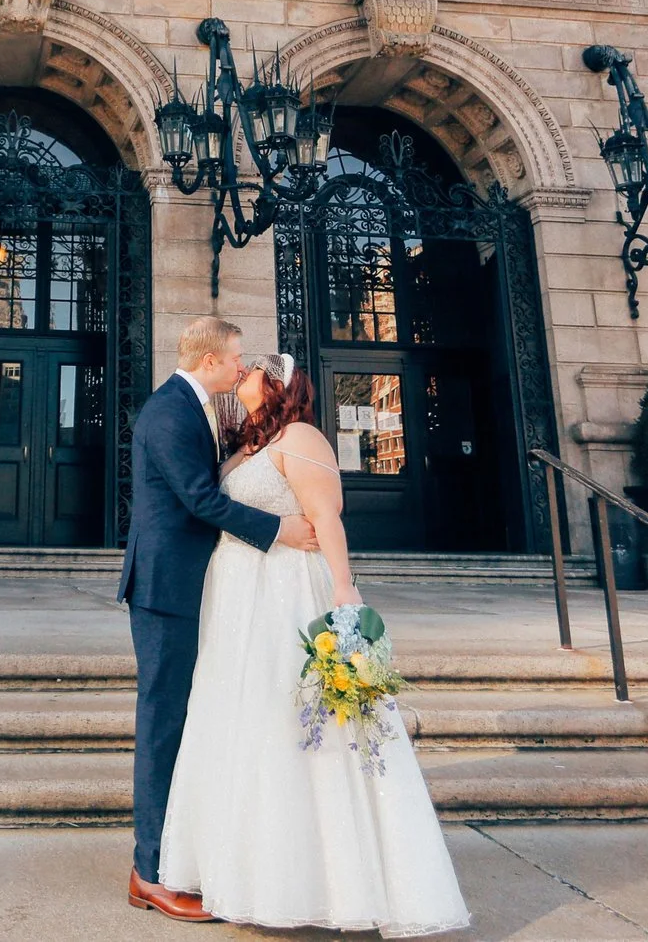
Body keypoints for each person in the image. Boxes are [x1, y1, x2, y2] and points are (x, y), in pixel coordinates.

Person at [158, 354, 471, 936]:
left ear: (277, 383)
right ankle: (240, 869)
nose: (241, 374)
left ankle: (322, 878)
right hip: (235, 601)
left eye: (252, 369)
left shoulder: (301, 437)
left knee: (292, 720)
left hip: (284, 594)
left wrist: (345, 595)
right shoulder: (249, 443)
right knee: (242, 722)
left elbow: (328, 518)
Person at [120, 317, 319, 922]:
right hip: (166, 588)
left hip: (193, 585)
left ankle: (180, 856)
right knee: (162, 725)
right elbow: (199, 500)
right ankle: (148, 872)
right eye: (236, 358)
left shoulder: (197, 407)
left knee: (188, 722)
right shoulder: (169, 412)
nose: (242, 368)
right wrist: (278, 530)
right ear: (210, 360)